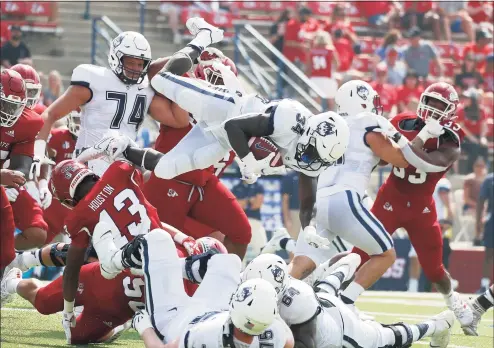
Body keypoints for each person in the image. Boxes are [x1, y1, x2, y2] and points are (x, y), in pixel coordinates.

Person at [34, 18, 225, 178]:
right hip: (88, 166)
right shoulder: (95, 80)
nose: (135, 68)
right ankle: (202, 39)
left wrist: (176, 81)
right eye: (130, 62)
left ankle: (202, 39)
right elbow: (49, 114)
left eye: (139, 63)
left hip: (123, 168)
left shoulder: (145, 89)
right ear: (116, 58)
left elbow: (179, 120)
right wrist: (36, 152)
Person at [351, 82, 473, 328]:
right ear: (422, 100)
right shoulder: (401, 122)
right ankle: (331, 294)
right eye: (431, 102)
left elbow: (421, 163)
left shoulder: (451, 141)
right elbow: (384, 159)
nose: (434, 110)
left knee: (435, 270)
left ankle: (454, 302)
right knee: (359, 255)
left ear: (451, 112)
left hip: (421, 209)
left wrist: (419, 138)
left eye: (441, 106)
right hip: (390, 199)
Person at [47, 158, 201, 343]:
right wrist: (183, 238)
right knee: (196, 319)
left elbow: (71, 271)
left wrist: (68, 311)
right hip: (174, 255)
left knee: (169, 331)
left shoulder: (78, 218)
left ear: (67, 197)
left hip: (139, 273)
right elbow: (148, 216)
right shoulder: (119, 170)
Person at [288, 80, 409, 315]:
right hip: (345, 199)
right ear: (363, 101)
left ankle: (270, 297)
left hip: (318, 201)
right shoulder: (368, 126)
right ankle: (345, 303)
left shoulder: (327, 123)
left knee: (301, 264)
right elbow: (400, 160)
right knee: (386, 254)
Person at [139, 55, 350, 188]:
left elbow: (307, 182)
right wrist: (249, 163)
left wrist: (309, 227)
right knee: (161, 81)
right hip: (226, 109)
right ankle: (192, 49)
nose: (309, 159)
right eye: (312, 153)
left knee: (165, 170)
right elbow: (234, 126)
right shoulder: (288, 118)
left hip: (220, 140)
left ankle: (126, 152)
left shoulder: (307, 153)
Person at [143, 48, 251, 259]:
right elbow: (153, 72)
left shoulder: (234, 111)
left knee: (240, 232)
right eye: (219, 84)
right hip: (171, 183)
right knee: (161, 248)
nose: (224, 92)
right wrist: (192, 50)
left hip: (202, 184)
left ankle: (227, 283)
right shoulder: (182, 99)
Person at [114, 229, 293, 347]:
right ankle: (163, 266)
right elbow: (288, 341)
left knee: (157, 239)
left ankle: (113, 261)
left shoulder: (208, 335)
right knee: (230, 261)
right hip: (212, 312)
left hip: (173, 321)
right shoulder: (273, 332)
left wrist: (145, 327)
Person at [243, 253, 455, 348]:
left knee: (386, 338)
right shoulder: (256, 285)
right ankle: (347, 264)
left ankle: (437, 325)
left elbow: (305, 344)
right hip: (321, 301)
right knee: (325, 288)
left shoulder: (297, 301)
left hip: (340, 332)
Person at [1, 262, 142, 344]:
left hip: (119, 306)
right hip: (95, 279)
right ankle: (12, 282)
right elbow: (75, 258)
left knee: (77, 338)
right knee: (44, 303)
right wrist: (68, 309)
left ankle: (119, 325)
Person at [0, 68, 48, 250]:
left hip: (3, 182)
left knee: (37, 232)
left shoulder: (28, 122)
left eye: (15, 107)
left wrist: (12, 181)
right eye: (5, 105)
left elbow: (23, 165)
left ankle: (8, 260)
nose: (10, 112)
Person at [232, 178, 265, 261]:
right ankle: (240, 271)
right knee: (239, 250)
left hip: (255, 220)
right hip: (240, 222)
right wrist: (250, 200)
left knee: (262, 248)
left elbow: (257, 204)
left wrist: (243, 202)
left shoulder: (258, 186)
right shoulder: (236, 187)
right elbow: (236, 206)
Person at [456, 88, 489, 173]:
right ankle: (470, 172)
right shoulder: (461, 110)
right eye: (464, 98)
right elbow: (462, 127)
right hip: (464, 138)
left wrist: (482, 138)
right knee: (475, 147)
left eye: (468, 98)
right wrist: (472, 138)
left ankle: (485, 171)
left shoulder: (481, 110)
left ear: (473, 100)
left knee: (484, 147)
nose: (465, 100)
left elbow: (483, 125)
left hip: (477, 136)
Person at [306, 30, 339, 109]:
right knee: (331, 102)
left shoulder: (312, 51)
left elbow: (308, 67)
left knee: (317, 104)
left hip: (315, 78)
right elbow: (337, 64)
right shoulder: (331, 50)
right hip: (327, 78)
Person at [475, 172, 493, 293]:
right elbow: (481, 200)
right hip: (492, 221)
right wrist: (478, 221)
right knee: (489, 253)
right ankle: (484, 285)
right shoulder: (489, 179)